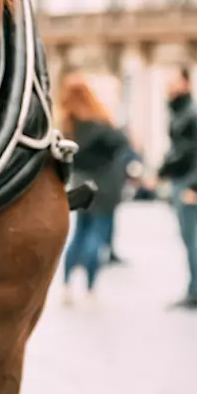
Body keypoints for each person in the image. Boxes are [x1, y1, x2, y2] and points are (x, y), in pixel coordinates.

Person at [58, 76, 132, 304]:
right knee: (96, 237)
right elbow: (122, 142)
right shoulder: (101, 121)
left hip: (80, 183)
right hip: (105, 184)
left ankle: (67, 286)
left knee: (79, 234)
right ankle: (90, 289)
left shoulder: (68, 125)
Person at [157, 66, 197, 308]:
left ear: (186, 83)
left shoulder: (194, 112)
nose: (170, 86)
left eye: (174, 81)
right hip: (183, 178)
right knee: (190, 237)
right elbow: (180, 149)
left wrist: (196, 185)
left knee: (191, 237)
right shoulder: (180, 110)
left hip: (190, 181)